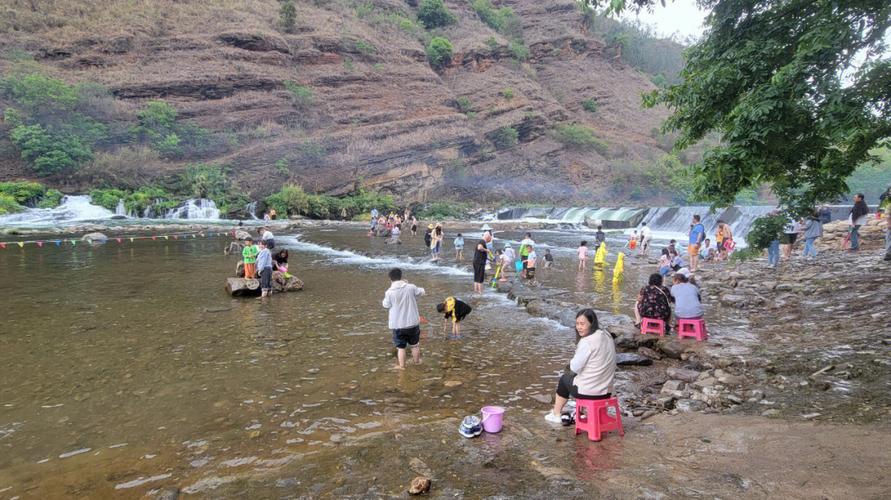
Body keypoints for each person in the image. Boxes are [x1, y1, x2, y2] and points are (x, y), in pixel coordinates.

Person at [544, 309, 616, 425]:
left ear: (591, 324)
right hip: (607, 391)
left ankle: (556, 413)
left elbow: (574, 367)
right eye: (577, 324)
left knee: (564, 379)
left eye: (582, 324)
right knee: (583, 376)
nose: (579, 327)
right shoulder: (606, 335)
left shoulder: (587, 341)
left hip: (592, 392)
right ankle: (581, 410)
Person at [382, 268, 425, 370]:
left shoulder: (389, 292)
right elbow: (422, 292)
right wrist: (408, 284)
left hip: (398, 325)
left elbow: (385, 305)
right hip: (412, 323)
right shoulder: (410, 287)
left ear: (390, 279)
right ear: (401, 276)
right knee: (415, 345)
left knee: (401, 348)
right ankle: (417, 362)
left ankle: (402, 367)